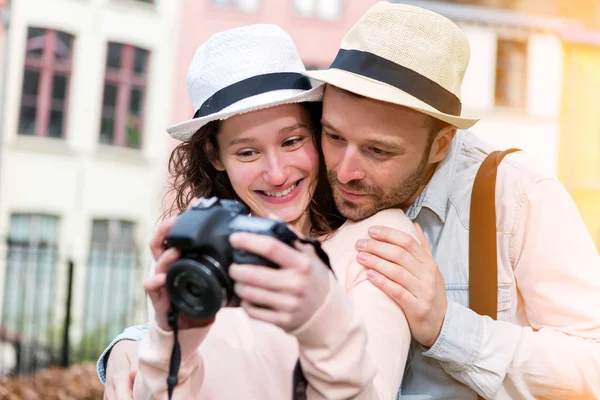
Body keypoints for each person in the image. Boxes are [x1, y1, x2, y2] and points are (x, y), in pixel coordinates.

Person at [302, 2, 600, 399]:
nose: (345, 170)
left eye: (378, 151)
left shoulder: (519, 196)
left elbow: (593, 365)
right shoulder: (303, 178)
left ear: (440, 145)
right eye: (335, 136)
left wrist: (446, 325)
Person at [102, 24, 414, 400]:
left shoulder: (376, 243)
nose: (278, 173)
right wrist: (164, 345)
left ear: (316, 133)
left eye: (292, 141)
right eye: (247, 152)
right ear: (215, 157)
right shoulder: (194, 262)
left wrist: (322, 319)